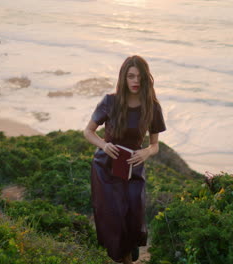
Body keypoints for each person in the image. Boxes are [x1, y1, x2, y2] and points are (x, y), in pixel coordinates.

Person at [83, 55, 166, 263]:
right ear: (124, 78)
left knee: (133, 215)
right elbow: (88, 132)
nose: (135, 81)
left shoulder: (152, 106)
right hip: (106, 167)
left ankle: (127, 249)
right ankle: (125, 256)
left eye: (139, 76)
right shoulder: (110, 101)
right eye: (131, 76)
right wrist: (103, 144)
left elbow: (155, 145)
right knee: (115, 216)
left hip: (133, 169)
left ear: (146, 78)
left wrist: (147, 151)